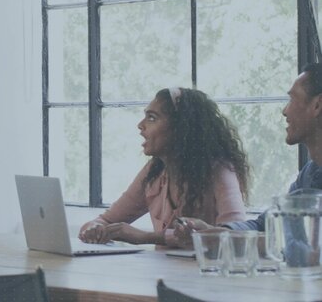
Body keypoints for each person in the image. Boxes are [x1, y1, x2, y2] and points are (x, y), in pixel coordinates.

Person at [78, 88, 249, 247]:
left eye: (152, 118)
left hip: (207, 277)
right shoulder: (154, 171)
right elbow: (105, 220)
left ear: (181, 127)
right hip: (164, 274)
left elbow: (237, 236)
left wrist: (144, 237)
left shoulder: (220, 170)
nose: (140, 125)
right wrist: (94, 229)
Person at [175, 63, 322, 246]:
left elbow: (308, 245)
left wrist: (225, 240)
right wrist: (215, 233)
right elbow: (265, 225)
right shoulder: (311, 172)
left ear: (317, 105)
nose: (285, 111)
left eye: (292, 99)